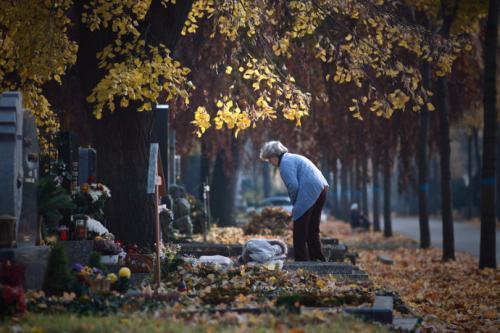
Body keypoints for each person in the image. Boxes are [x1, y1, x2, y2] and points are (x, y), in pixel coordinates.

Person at [260, 141, 329, 261]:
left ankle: (301, 261)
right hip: (322, 187)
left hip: (310, 189)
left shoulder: (285, 164)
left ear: (274, 155)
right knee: (312, 228)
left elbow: (293, 186)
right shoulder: (293, 157)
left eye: (269, 159)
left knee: (299, 229)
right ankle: (318, 259)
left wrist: (295, 205)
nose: (270, 163)